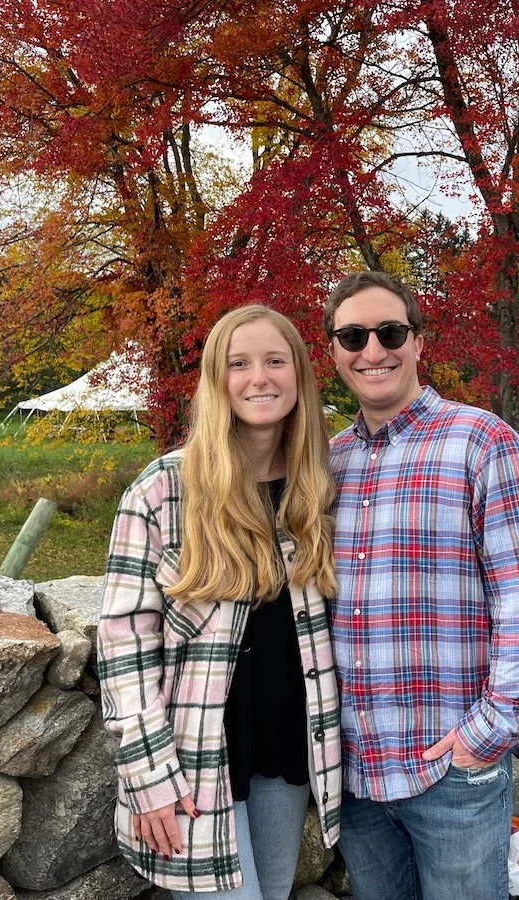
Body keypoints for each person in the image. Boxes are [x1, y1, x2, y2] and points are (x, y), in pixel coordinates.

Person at [324, 270, 519, 900]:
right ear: (333, 352)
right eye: (353, 335)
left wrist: (486, 734)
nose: (372, 350)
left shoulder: (481, 441)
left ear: (419, 342)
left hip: (451, 765)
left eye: (390, 331)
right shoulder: (327, 462)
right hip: (355, 773)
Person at [96, 305, 342, 898]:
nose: (259, 378)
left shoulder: (321, 489)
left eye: (275, 360)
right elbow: (124, 644)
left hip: (288, 754)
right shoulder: (163, 490)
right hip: (195, 763)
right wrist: (149, 774)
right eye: (239, 364)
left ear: (300, 375)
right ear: (216, 379)